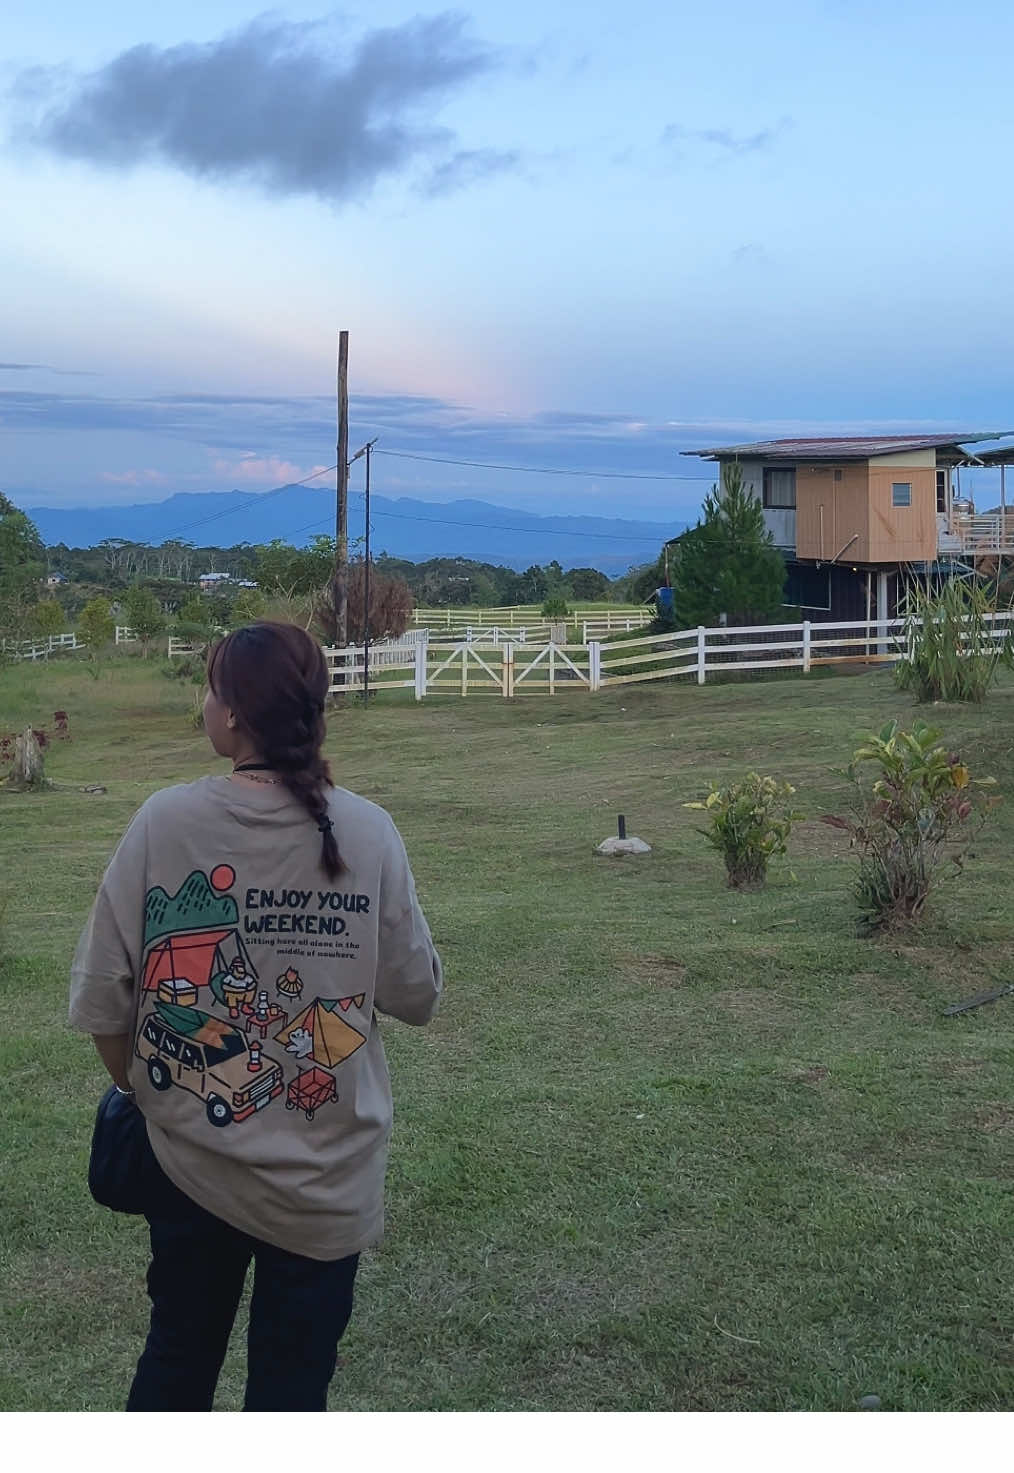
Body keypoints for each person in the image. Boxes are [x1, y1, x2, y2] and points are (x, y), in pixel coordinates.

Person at [69, 621, 443, 1412]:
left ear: (234, 715)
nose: (204, 703)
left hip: (189, 1170)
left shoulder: (163, 822)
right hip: (328, 1186)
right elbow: (419, 994)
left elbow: (105, 1000)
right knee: (291, 1394)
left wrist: (145, 1092)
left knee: (176, 1365)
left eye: (210, 688)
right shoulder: (368, 832)